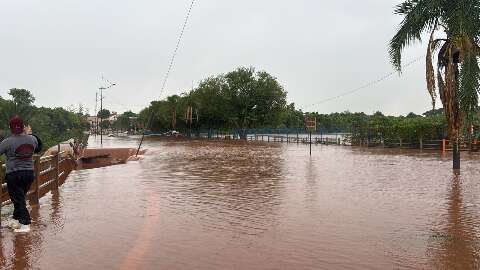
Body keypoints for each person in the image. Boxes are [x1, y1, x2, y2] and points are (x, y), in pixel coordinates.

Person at [0, 116, 41, 233]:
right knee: (20, 197)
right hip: (29, 174)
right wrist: (30, 134)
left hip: (14, 174)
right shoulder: (32, 139)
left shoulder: (7, 142)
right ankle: (16, 219)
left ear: (10, 128)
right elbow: (38, 148)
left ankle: (25, 224)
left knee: (18, 199)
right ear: (23, 127)